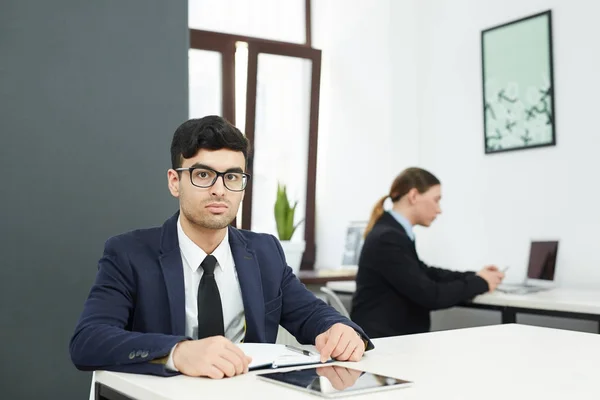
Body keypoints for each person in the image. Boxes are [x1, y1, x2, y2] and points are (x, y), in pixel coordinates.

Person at [70, 116, 373, 378]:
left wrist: (339, 329)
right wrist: (177, 353)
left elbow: (311, 314)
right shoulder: (129, 253)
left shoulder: (265, 252)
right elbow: (89, 340)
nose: (219, 189)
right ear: (175, 182)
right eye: (203, 175)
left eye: (232, 177)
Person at [351, 167, 504, 338]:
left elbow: (425, 272)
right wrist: (480, 283)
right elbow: (430, 295)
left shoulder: (393, 232)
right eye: (436, 200)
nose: (439, 210)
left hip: (394, 338)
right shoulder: (388, 237)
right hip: (386, 341)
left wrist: (475, 275)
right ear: (414, 196)